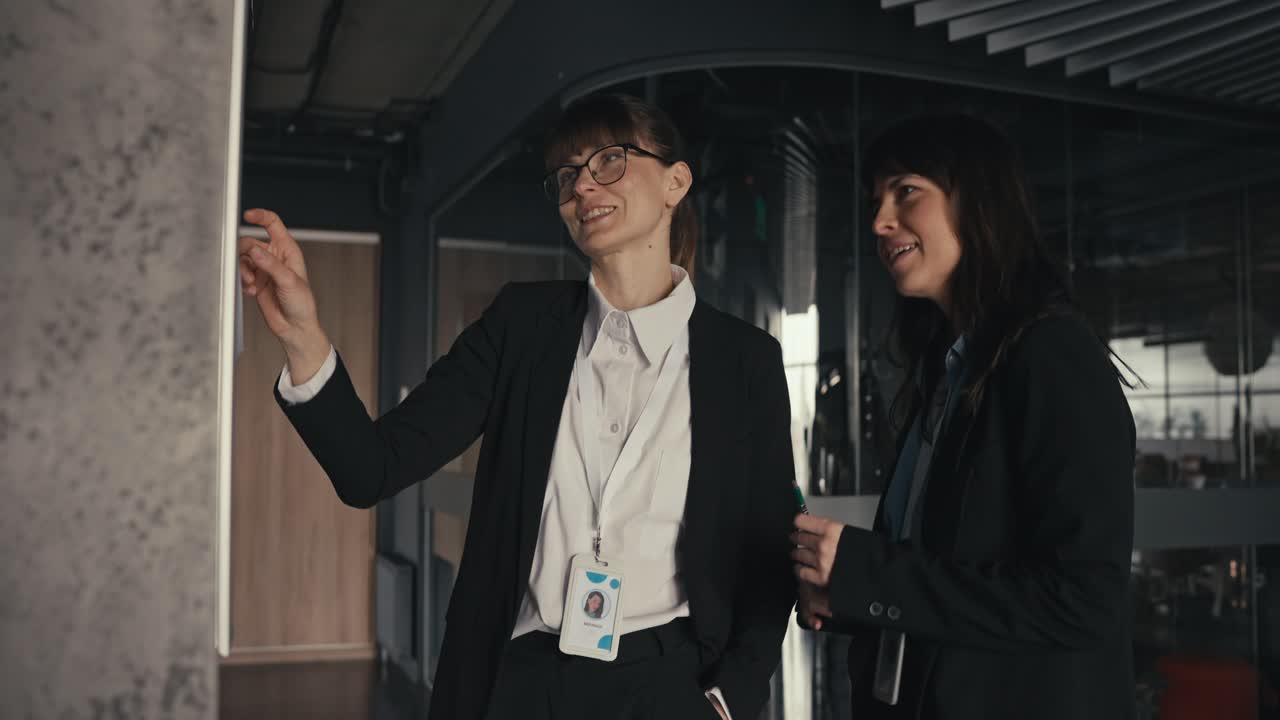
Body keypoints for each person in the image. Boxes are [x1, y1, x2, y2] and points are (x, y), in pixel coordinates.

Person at [237, 92, 796, 720]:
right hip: (522, 681)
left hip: (671, 681)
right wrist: (302, 335)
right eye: (567, 175)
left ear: (675, 182)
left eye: (609, 161)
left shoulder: (746, 359)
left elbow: (771, 548)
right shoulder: (521, 325)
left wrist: (731, 697)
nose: (582, 186)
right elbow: (371, 468)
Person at [790, 114, 1136, 719]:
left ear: (978, 200)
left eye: (907, 192)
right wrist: (846, 591)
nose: (879, 222)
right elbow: (953, 571)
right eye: (878, 200)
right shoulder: (952, 369)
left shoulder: (1051, 356)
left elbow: (1084, 601)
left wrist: (869, 575)